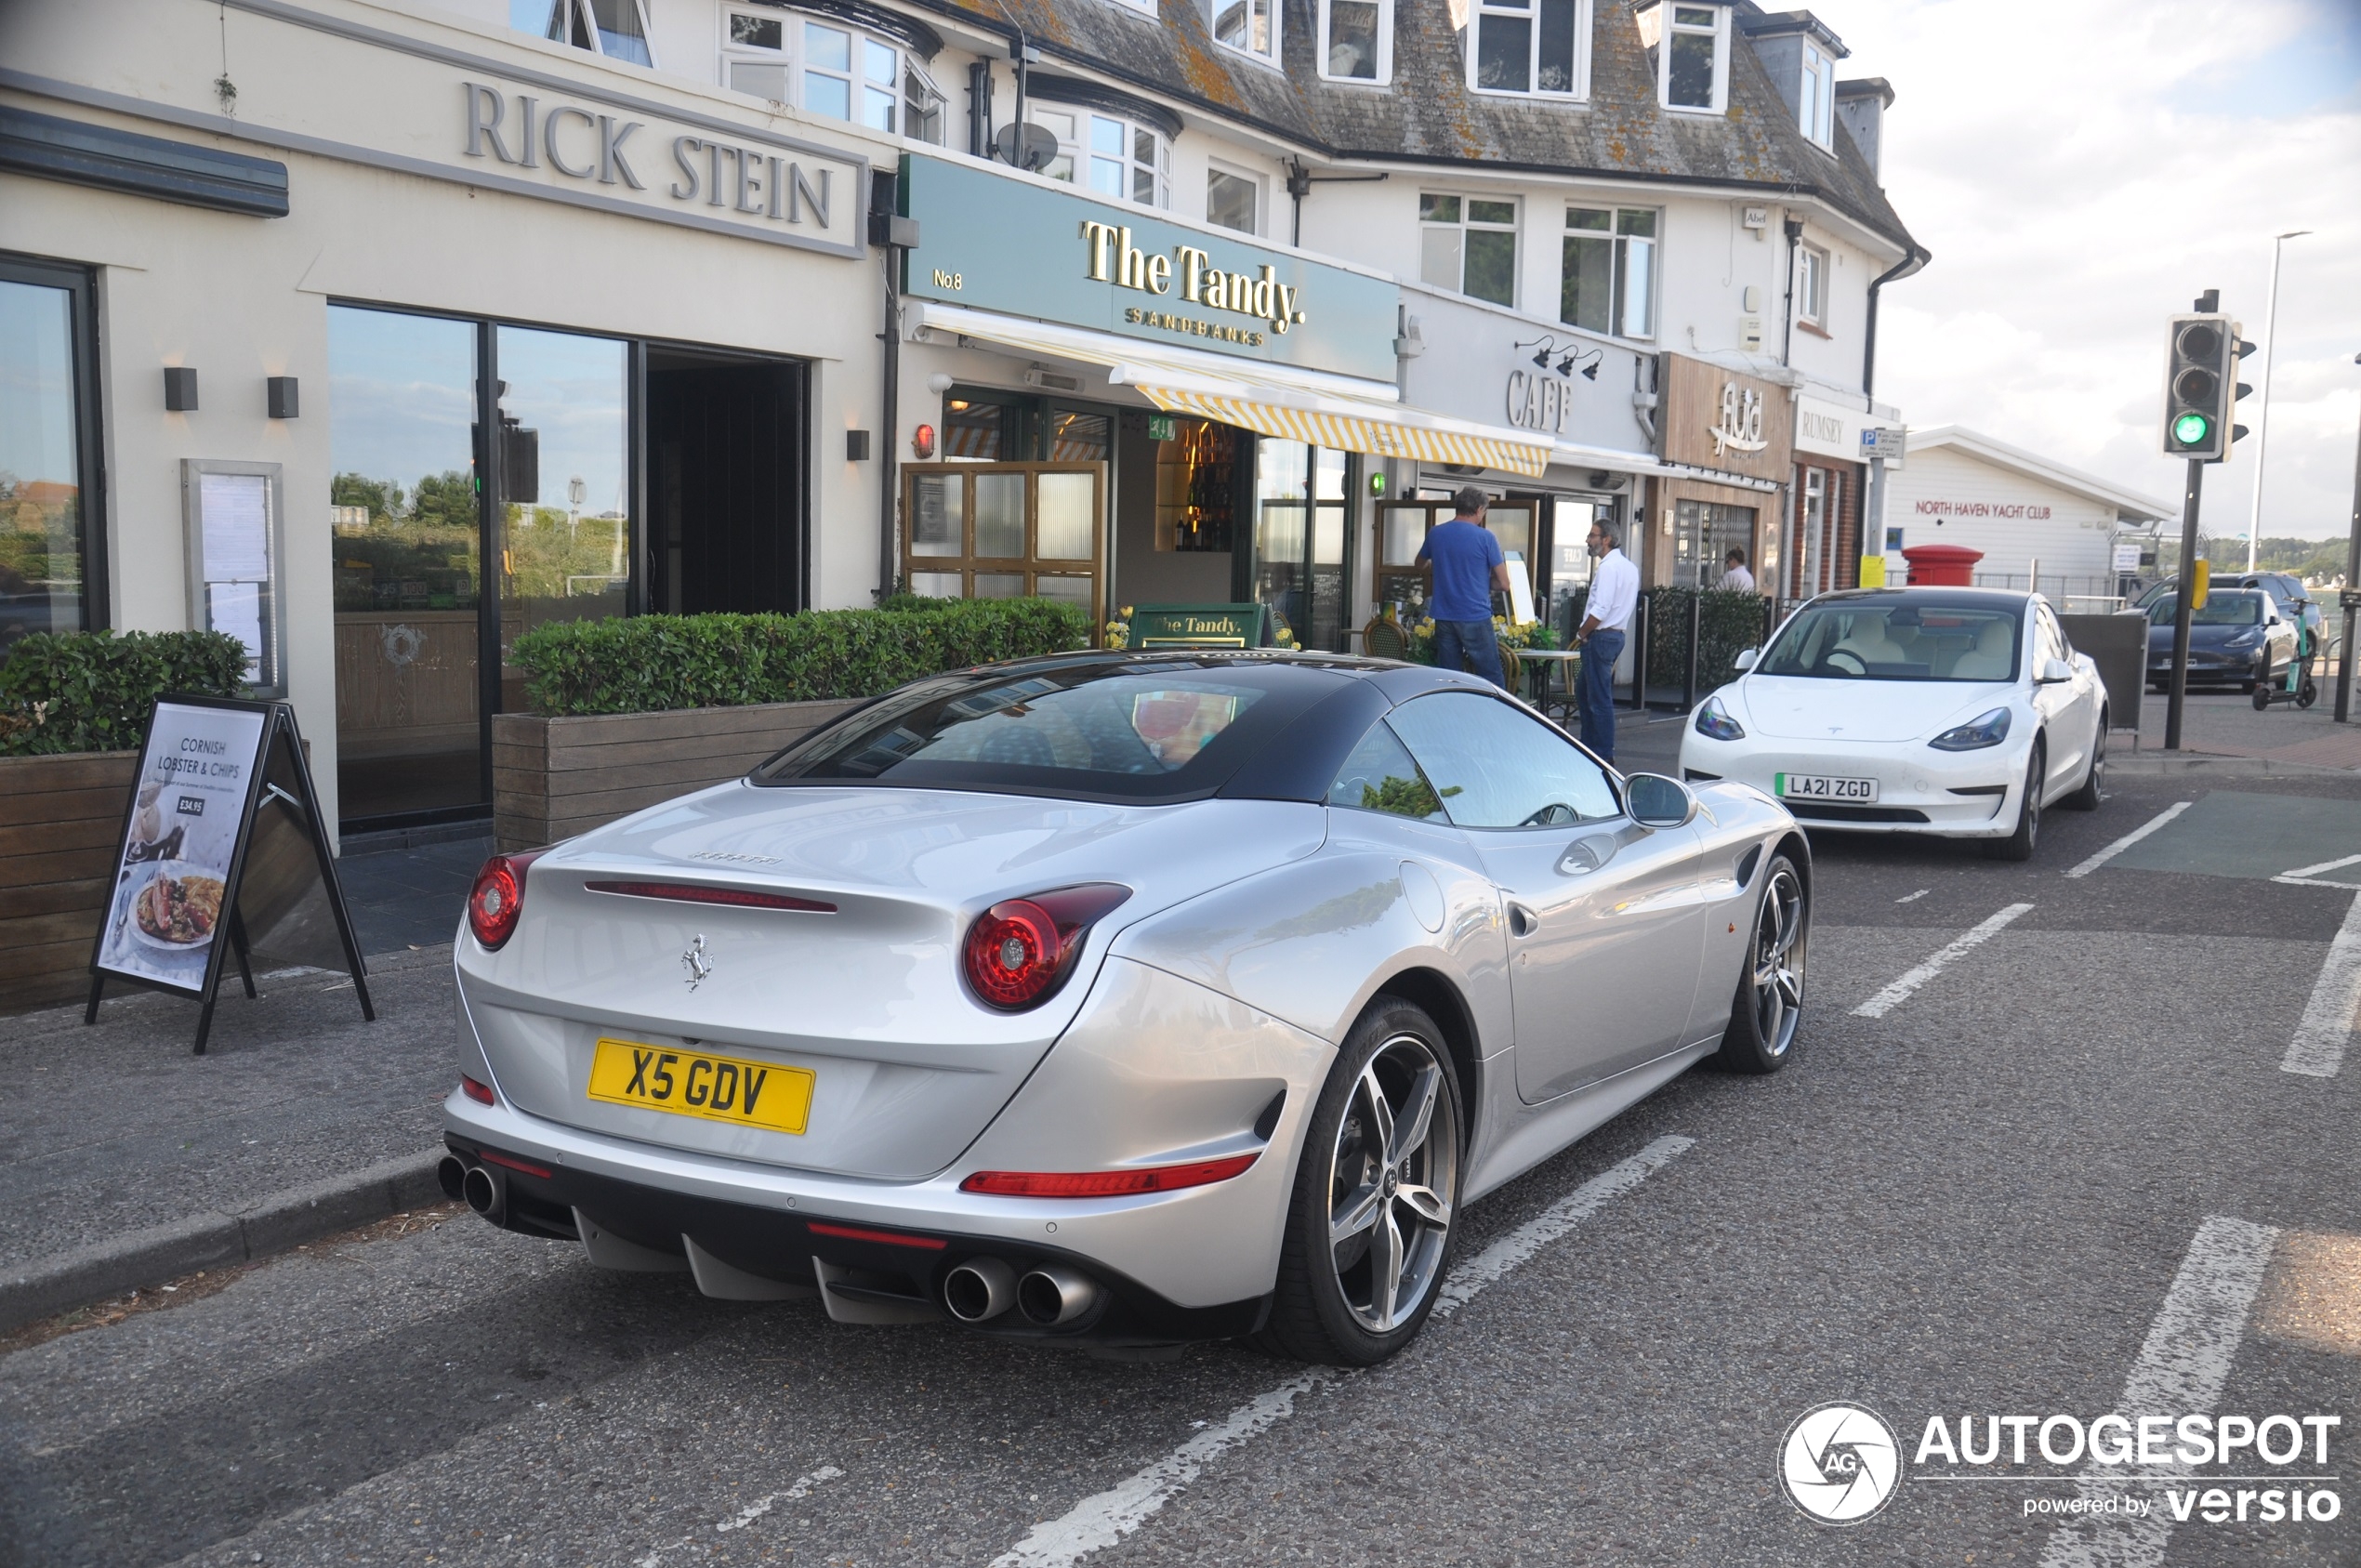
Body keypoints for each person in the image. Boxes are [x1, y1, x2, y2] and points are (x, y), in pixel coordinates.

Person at [1415, 487, 1512, 688]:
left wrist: (1439, 566)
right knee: (1491, 676)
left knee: (1449, 677)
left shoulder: (1436, 533)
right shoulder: (1486, 538)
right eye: (1484, 511)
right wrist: (1482, 581)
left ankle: (1451, 717)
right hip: (1475, 615)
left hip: (1444, 615)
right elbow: (1504, 583)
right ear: (1478, 509)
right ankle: (1494, 717)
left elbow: (1419, 564)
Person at [1576, 519, 1638, 761]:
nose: (1588, 540)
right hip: (1615, 635)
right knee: (1585, 692)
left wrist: (1582, 632)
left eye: (1593, 535)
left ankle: (1601, 753)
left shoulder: (1609, 568)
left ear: (1606, 540)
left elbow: (1601, 609)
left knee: (1598, 698)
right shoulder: (1629, 567)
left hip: (1601, 637)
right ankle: (1589, 747)